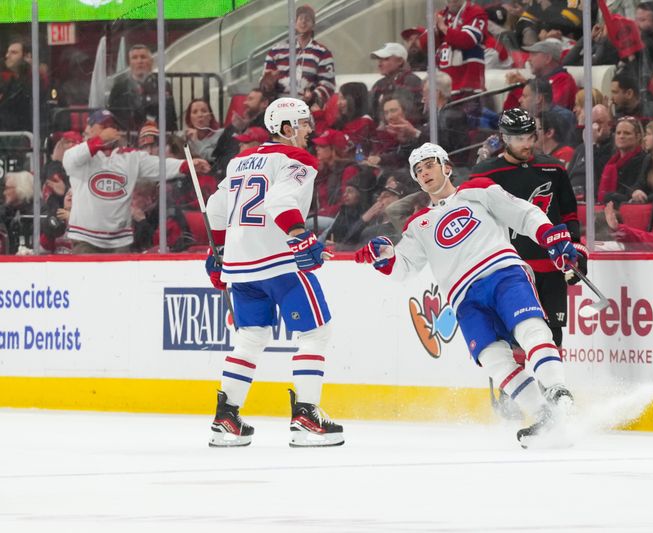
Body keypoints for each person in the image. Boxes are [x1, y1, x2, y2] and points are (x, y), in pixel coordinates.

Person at [355, 142, 578, 446]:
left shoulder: (477, 190)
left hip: (503, 273)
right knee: (492, 359)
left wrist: (549, 234)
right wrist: (384, 257)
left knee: (530, 329)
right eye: (418, 171)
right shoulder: (418, 224)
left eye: (430, 165)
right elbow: (404, 268)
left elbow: (524, 213)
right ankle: (544, 416)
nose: (425, 173)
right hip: (464, 299)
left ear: (447, 167)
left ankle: (557, 389)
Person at [203, 97, 344, 448]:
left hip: (241, 264)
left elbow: (215, 210)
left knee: (251, 337)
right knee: (315, 332)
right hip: (279, 260)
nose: (310, 130)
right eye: (303, 123)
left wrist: (218, 252)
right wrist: (299, 237)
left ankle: (226, 418)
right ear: (285, 128)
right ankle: (307, 415)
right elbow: (280, 202)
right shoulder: (296, 158)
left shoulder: (239, 162)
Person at [469, 109, 586, 403]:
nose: (526, 143)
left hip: (550, 266)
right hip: (510, 269)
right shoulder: (485, 175)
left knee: (553, 331)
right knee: (515, 332)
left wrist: (576, 249)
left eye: (529, 136)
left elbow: (569, 214)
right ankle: (514, 396)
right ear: (504, 138)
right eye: (518, 138)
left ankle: (552, 393)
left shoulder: (554, 169)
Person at [62, 110, 209, 254]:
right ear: (89, 129)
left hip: (120, 241)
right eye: (103, 125)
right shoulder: (80, 156)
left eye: (112, 126)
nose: (110, 129)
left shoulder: (129, 157)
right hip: (85, 240)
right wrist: (99, 140)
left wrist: (187, 165)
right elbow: (68, 160)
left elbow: (158, 165)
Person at [260, 5, 336, 108]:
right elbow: (264, 84)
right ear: (294, 24)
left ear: (313, 25)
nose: (303, 22)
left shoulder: (323, 53)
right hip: (278, 107)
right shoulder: (275, 51)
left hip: (307, 109)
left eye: (307, 19)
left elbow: (328, 84)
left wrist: (313, 96)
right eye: (300, 18)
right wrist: (267, 84)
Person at [417, 0, 488, 98]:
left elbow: (467, 40)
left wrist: (443, 28)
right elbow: (424, 44)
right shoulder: (442, 15)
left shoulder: (475, 12)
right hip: (443, 91)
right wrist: (435, 29)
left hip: (468, 89)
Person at [108, 44, 178, 131]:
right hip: (128, 138)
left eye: (143, 57)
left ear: (151, 62)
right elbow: (113, 117)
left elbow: (170, 117)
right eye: (135, 58)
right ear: (130, 63)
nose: (139, 61)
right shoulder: (119, 88)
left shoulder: (163, 85)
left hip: (158, 136)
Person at [567, 104, 614, 200]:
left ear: (609, 125)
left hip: (593, 200)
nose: (594, 127)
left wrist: (592, 144)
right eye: (591, 123)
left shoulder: (613, 147)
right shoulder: (581, 148)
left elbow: (598, 172)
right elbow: (568, 174)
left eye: (599, 122)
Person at [597, 116, 647, 204]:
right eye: (618, 133)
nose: (621, 136)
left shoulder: (644, 160)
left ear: (638, 137)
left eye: (627, 133)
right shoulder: (611, 162)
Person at [368, 42, 423, 121]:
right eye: (379, 60)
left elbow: (414, 114)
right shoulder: (379, 84)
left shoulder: (412, 82)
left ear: (400, 61)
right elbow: (371, 113)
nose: (379, 64)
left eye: (385, 59)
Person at [0, 38, 32, 132]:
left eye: (13, 52)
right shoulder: (9, 82)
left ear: (27, 56)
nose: (7, 56)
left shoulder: (34, 82)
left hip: (24, 137)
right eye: (7, 52)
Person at [0, 170, 34, 254]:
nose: (4, 192)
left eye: (8, 188)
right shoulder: (5, 212)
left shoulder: (37, 212)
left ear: (21, 188)